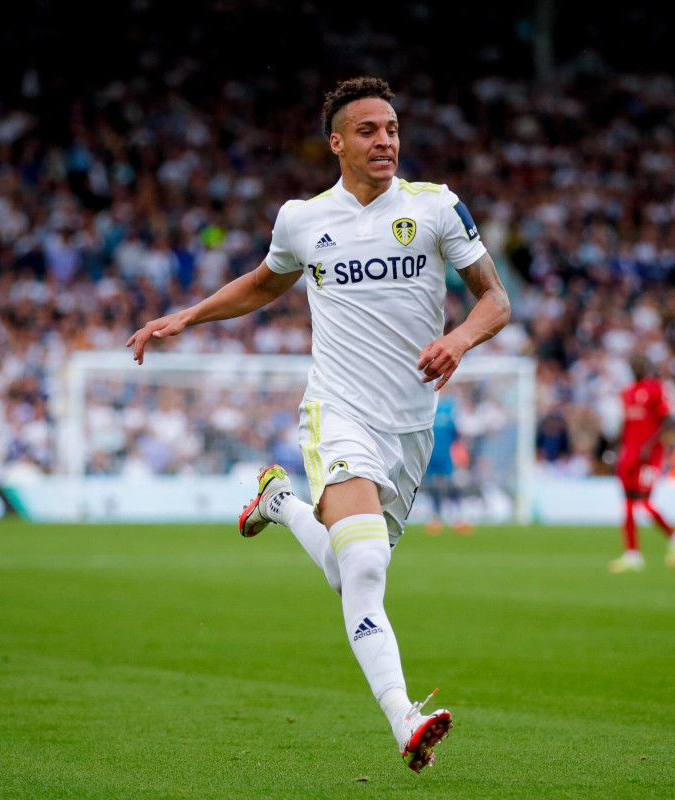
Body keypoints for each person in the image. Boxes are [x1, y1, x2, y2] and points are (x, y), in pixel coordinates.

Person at [128, 77, 510, 772]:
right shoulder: (303, 219)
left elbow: (496, 300)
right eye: (368, 130)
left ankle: (279, 503)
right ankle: (405, 720)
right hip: (338, 413)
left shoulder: (436, 208)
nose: (385, 140)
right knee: (364, 566)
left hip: (410, 427)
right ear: (337, 143)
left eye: (391, 128)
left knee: (351, 567)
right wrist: (189, 314)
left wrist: (459, 340)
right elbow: (266, 283)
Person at [609, 356, 675, 573]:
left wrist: (650, 445)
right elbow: (626, 425)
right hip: (629, 455)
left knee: (644, 503)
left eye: (639, 363)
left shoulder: (655, 389)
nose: (636, 366)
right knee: (626, 504)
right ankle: (632, 554)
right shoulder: (627, 393)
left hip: (650, 456)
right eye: (633, 363)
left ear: (646, 366)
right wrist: (616, 449)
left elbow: (669, 420)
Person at [425, 392, 472, 535]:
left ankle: (459, 518)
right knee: (434, 487)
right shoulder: (429, 405)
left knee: (451, 485)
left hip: (447, 456)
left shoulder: (452, 406)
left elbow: (458, 434)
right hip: (431, 454)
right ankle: (436, 518)